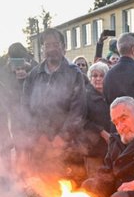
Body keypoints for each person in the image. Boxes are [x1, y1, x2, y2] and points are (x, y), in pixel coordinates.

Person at [16, 28, 89, 178]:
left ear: (63, 46)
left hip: (66, 147)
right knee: (41, 188)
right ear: (43, 49)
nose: (51, 49)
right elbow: (25, 108)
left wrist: (61, 138)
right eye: (47, 45)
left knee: (66, 188)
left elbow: (78, 112)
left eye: (55, 44)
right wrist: (34, 136)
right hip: (39, 145)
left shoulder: (74, 73)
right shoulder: (34, 75)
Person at [84, 61, 114, 160]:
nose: (98, 79)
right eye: (94, 76)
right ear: (90, 78)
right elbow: (82, 120)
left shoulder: (112, 94)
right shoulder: (84, 96)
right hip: (93, 149)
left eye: (102, 75)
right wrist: (101, 132)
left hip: (113, 148)